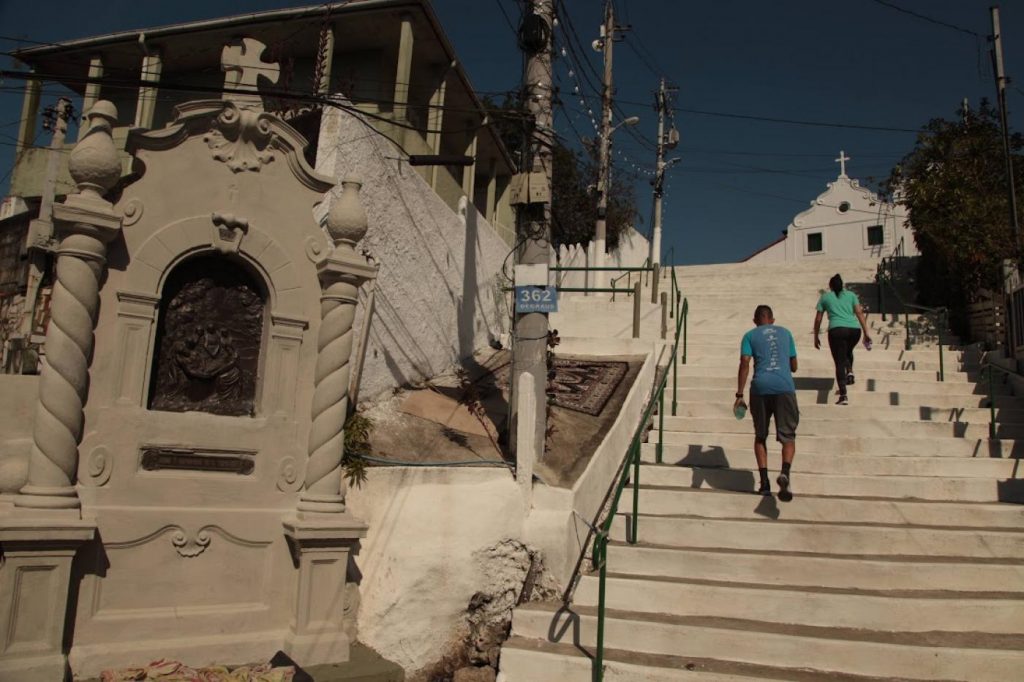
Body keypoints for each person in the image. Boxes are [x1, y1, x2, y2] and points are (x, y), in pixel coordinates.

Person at [734, 305, 799, 501]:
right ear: (772, 319)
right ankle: (785, 472)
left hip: (760, 388)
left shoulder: (749, 336)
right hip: (784, 388)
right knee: (788, 437)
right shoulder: (786, 333)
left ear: (755, 321)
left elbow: (745, 362)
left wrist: (739, 394)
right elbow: (794, 366)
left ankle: (764, 483)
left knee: (760, 436)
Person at [814, 274, 872, 406]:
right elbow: (859, 313)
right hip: (854, 331)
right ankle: (850, 372)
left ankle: (843, 395)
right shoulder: (851, 295)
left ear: (830, 286)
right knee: (847, 351)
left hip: (837, 331)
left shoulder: (825, 297)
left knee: (839, 361)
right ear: (842, 285)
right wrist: (866, 332)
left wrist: (816, 336)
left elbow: (818, 319)